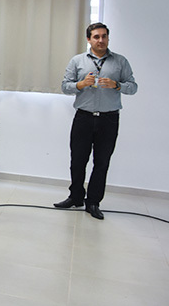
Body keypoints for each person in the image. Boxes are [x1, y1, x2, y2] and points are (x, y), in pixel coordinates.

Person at [55, 23, 138, 220]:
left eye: (104, 36)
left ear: (108, 38)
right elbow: (65, 86)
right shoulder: (77, 61)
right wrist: (80, 84)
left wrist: (116, 85)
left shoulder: (120, 61)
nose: (100, 40)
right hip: (83, 118)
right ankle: (75, 197)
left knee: (101, 162)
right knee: (77, 161)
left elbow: (133, 87)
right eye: (96, 37)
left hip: (109, 120)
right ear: (89, 39)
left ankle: (93, 202)